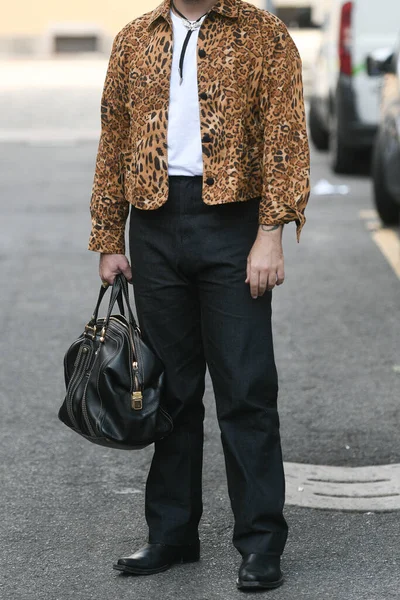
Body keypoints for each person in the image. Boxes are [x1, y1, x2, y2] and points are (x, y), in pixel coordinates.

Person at [88, 0, 310, 590]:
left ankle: (261, 543)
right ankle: (172, 535)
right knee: (171, 392)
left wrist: (270, 236)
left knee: (246, 388)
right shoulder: (135, 38)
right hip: (155, 224)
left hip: (232, 226)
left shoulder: (264, 33)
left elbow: (286, 138)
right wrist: (111, 237)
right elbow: (114, 138)